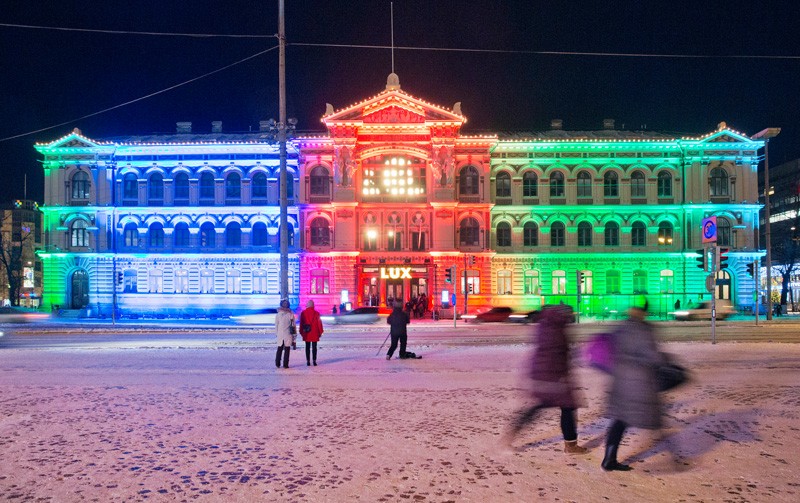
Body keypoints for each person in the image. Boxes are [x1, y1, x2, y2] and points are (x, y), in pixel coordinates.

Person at [504, 304, 588, 454]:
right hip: (554, 377)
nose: (570, 318)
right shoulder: (557, 330)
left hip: (541, 375)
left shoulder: (545, 326)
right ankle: (571, 445)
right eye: (569, 315)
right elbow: (560, 355)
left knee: (540, 407)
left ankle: (511, 435)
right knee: (568, 407)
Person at [601, 299, 668, 471]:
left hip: (621, 380)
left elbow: (611, 349)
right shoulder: (644, 330)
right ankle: (674, 457)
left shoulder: (622, 327)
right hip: (639, 381)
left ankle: (609, 458)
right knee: (654, 417)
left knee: (621, 419)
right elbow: (653, 356)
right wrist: (665, 360)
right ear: (644, 311)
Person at [300, 300, 324, 366]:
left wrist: (301, 331)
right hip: (315, 332)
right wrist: (321, 331)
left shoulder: (303, 313)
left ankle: (308, 361)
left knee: (307, 347)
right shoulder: (316, 313)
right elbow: (319, 323)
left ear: (307, 305)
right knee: (314, 347)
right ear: (313, 305)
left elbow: (301, 323)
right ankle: (314, 360)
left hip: (306, 332)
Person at [274, 299, 296, 369]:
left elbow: (276, 325)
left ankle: (277, 363)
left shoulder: (278, 314)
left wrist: (277, 333)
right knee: (287, 349)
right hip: (288, 334)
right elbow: (293, 326)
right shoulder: (290, 314)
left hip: (281, 334)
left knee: (280, 349)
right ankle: (285, 364)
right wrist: (294, 335)